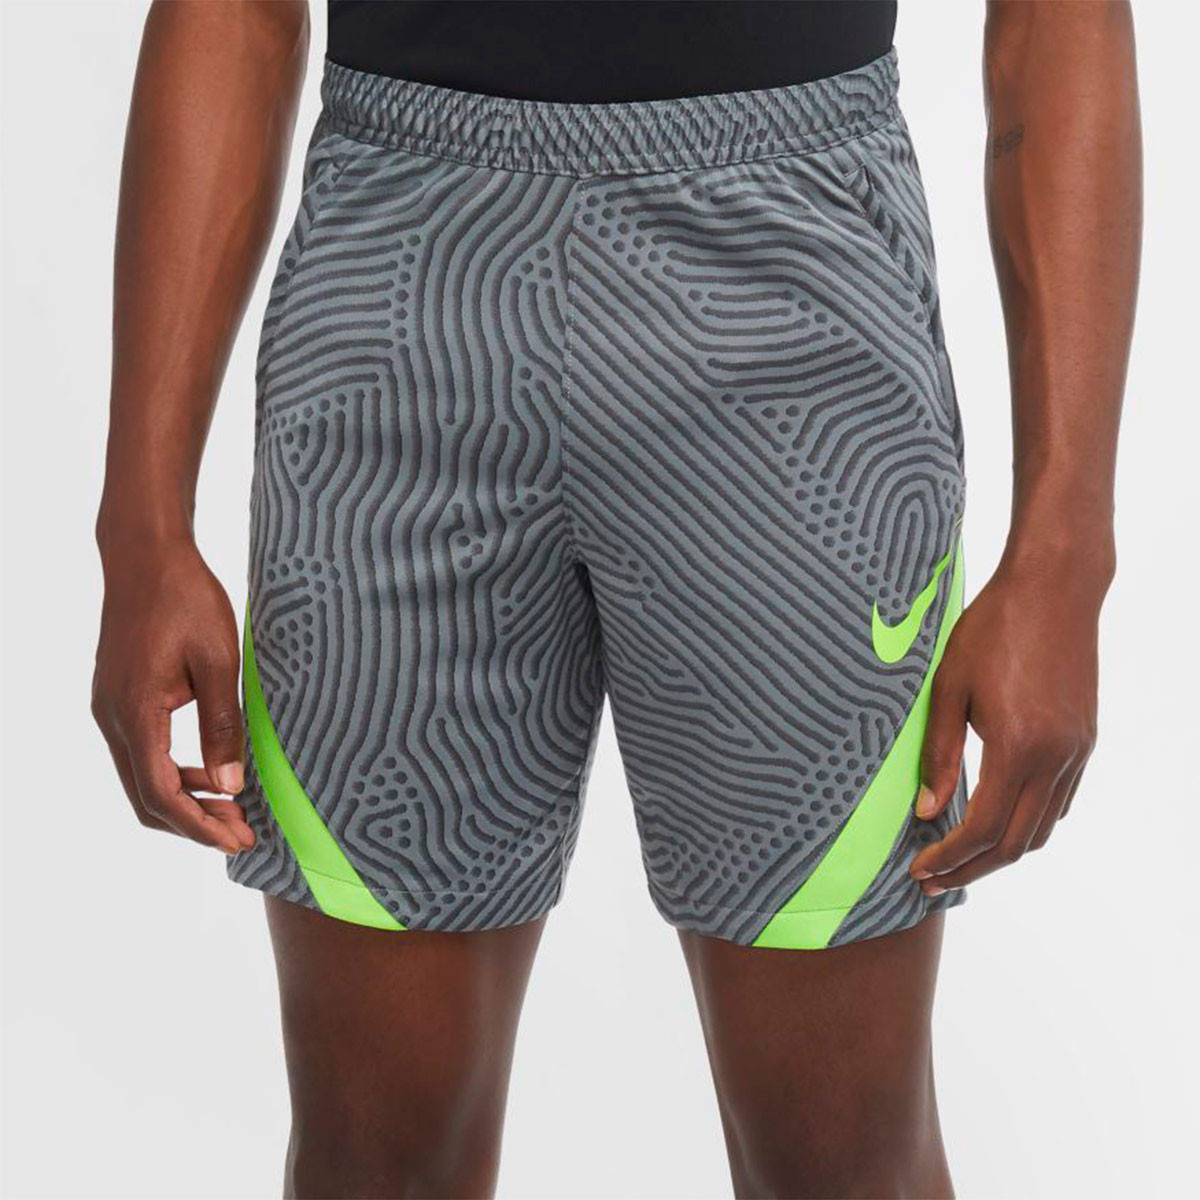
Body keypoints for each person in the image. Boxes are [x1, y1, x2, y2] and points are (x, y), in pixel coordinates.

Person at [92, 2, 1141, 1196]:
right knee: (375, 1158)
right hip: (396, 315)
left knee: (843, 1159)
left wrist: (1066, 551)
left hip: (791, 323)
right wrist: (142, 526)